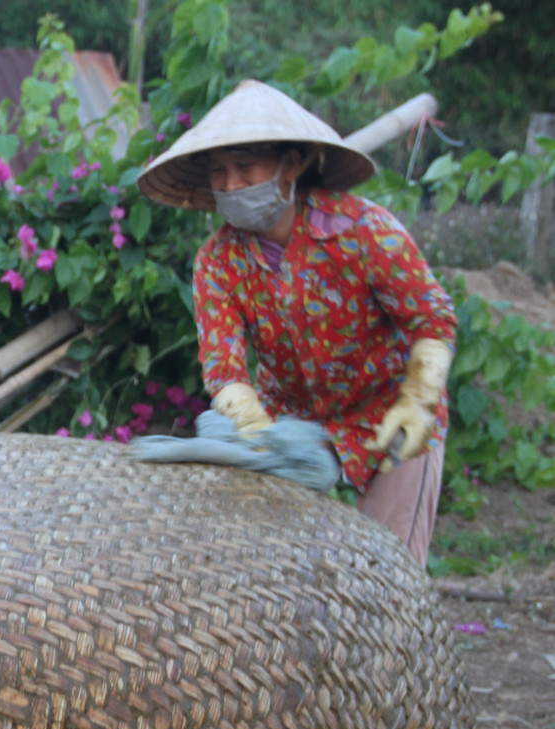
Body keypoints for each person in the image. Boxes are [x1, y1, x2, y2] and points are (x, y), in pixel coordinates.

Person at [137, 80, 456, 567]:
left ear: (290, 166)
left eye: (246, 167)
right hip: (293, 423)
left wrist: (418, 399)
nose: (230, 185)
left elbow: (431, 318)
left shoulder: (362, 229)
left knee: (392, 570)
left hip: (389, 409)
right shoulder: (218, 261)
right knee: (293, 571)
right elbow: (224, 365)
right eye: (219, 172)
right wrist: (250, 423)